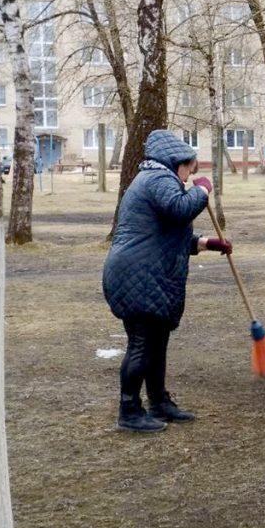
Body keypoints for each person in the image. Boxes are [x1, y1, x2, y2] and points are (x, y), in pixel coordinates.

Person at [103, 129, 233, 433]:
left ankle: (159, 402)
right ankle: (129, 411)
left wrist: (206, 243)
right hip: (137, 275)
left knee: (156, 343)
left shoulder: (156, 180)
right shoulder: (157, 180)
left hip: (146, 272)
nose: (189, 177)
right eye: (189, 170)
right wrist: (202, 190)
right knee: (142, 344)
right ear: (177, 162)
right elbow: (180, 208)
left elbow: (165, 236)